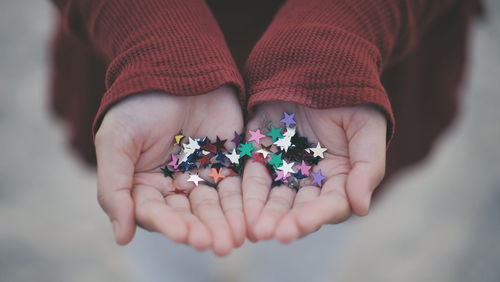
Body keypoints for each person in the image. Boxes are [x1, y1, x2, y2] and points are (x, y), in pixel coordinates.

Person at [50, 0, 481, 257]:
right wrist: (153, 41)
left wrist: (344, 29)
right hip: (149, 93)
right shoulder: (178, 154)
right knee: (167, 230)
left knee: (308, 232)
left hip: (353, 87)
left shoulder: (310, 157)